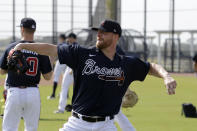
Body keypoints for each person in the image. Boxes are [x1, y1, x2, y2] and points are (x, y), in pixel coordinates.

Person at [14, 20, 177, 131]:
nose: (98, 35)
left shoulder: (126, 63)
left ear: (115, 36)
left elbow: (151, 67)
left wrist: (166, 76)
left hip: (106, 125)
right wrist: (23, 46)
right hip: (77, 124)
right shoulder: (81, 53)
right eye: (98, 32)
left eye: (104, 32)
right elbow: (52, 49)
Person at [0, 17, 53, 131]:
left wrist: (11, 65)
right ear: (34, 30)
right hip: (33, 93)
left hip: (14, 92)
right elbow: (48, 77)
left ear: (22, 29)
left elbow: (2, 71)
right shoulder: (41, 50)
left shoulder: (11, 48)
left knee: (9, 128)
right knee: (31, 128)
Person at [54, 33, 77, 113]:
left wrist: (73, 69)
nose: (67, 39)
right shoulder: (70, 45)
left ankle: (63, 108)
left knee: (67, 88)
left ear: (73, 38)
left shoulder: (75, 47)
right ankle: (63, 108)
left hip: (73, 69)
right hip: (70, 68)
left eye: (69, 38)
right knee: (65, 88)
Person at [47, 34, 68, 99]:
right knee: (65, 78)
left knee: (56, 77)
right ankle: (66, 95)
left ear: (61, 38)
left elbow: (55, 54)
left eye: (60, 38)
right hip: (67, 63)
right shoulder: (68, 45)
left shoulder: (60, 45)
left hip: (60, 62)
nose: (59, 39)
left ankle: (53, 95)